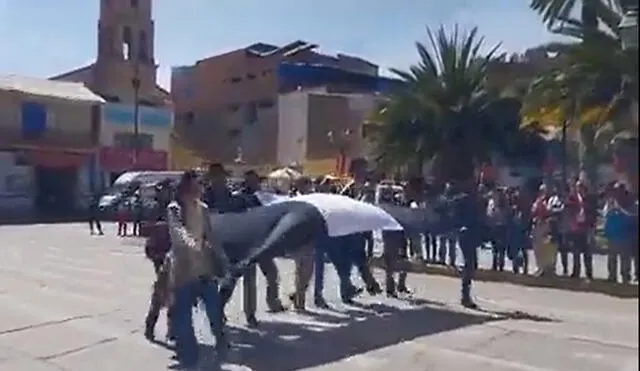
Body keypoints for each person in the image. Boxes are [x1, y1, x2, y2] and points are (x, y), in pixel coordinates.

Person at [166, 170, 229, 368]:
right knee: (184, 316)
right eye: (194, 186)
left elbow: (210, 235)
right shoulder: (174, 208)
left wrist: (223, 258)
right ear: (185, 188)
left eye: (199, 185)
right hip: (183, 269)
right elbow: (178, 231)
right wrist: (193, 244)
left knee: (214, 309)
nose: (198, 189)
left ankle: (221, 340)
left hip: (204, 269)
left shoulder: (203, 208)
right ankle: (190, 356)